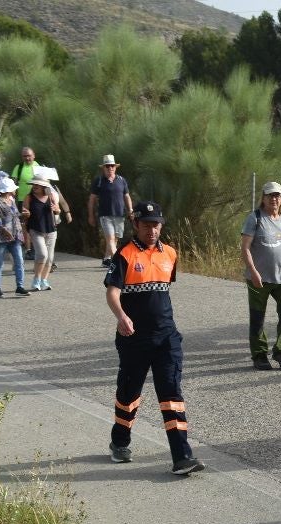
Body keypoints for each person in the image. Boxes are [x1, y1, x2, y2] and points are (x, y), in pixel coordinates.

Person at [104, 201, 204, 475]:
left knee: (171, 394)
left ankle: (182, 456)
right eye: (147, 224)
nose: (152, 229)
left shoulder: (170, 254)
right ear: (136, 224)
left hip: (166, 338)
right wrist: (122, 316)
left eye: (156, 224)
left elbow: (161, 293)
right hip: (134, 338)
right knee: (129, 394)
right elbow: (112, 293)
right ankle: (120, 442)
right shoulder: (123, 255)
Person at [242, 181, 281, 369]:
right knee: (258, 318)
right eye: (270, 195)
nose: (274, 199)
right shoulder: (255, 218)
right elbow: (245, 248)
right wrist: (253, 272)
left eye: (277, 196)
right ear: (263, 198)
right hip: (259, 279)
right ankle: (259, 355)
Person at [87, 154, 133, 263]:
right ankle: (119, 262)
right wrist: (91, 216)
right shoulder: (98, 181)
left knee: (115, 239)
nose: (110, 168)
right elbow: (92, 199)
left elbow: (127, 196)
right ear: (103, 168)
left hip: (119, 215)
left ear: (115, 167)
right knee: (111, 239)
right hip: (105, 215)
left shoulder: (122, 180)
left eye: (112, 166)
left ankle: (107, 259)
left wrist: (130, 210)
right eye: (107, 166)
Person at [22, 177, 58, 291]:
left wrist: (56, 208)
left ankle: (44, 281)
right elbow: (24, 214)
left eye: (37, 184)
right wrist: (26, 214)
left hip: (51, 230)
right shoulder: (29, 197)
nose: (35, 186)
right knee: (42, 254)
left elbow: (58, 211)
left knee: (50, 258)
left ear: (44, 186)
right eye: (33, 184)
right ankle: (36, 280)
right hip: (35, 229)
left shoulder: (51, 197)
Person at [0, 176, 27, 297]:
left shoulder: (12, 200)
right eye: (13, 189)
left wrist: (24, 215)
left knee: (19, 261)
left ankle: (20, 286)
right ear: (8, 190)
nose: (15, 190)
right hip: (2, 238)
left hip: (15, 235)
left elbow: (16, 216)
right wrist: (4, 230)